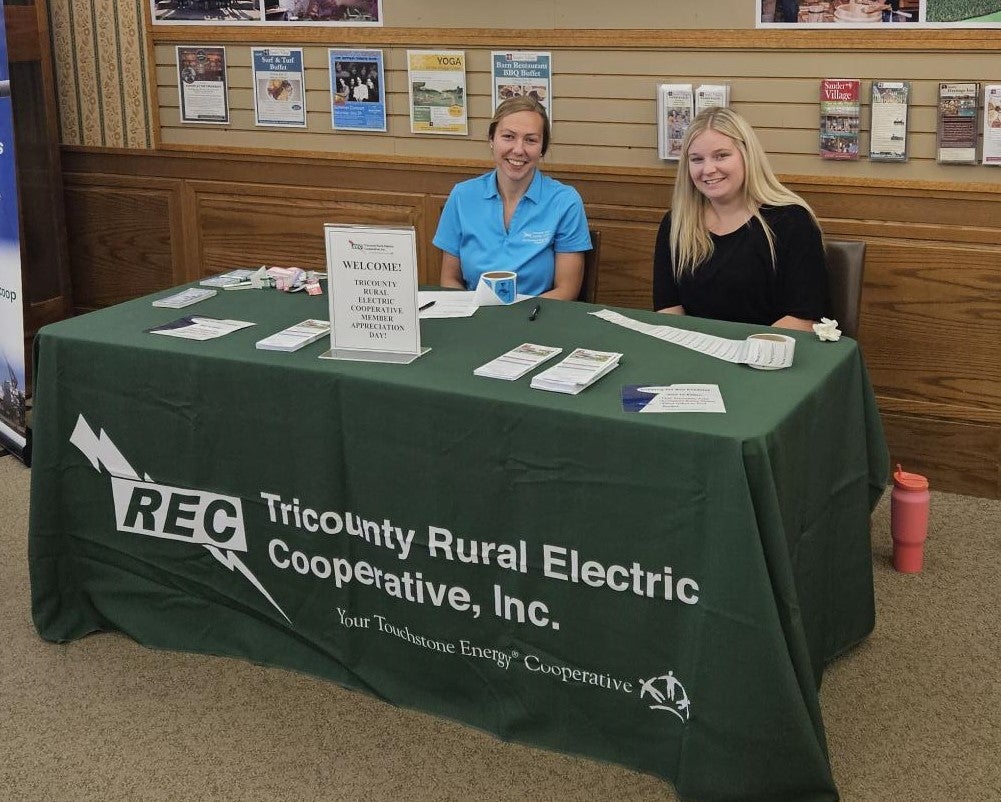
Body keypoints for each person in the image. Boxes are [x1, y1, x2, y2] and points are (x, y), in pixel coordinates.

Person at [653, 107, 829, 331]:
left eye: (721, 156)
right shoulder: (676, 224)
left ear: (747, 156)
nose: (708, 169)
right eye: (696, 159)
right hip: (695, 356)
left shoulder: (792, 221)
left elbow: (803, 316)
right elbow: (668, 308)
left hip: (771, 356)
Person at [434, 96, 591, 299]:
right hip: (474, 318)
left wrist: (514, 320)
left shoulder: (565, 201)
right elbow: (450, 280)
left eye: (530, 140)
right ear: (492, 140)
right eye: (508, 136)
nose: (518, 150)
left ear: (542, 149)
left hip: (537, 321)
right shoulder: (462, 196)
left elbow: (566, 290)